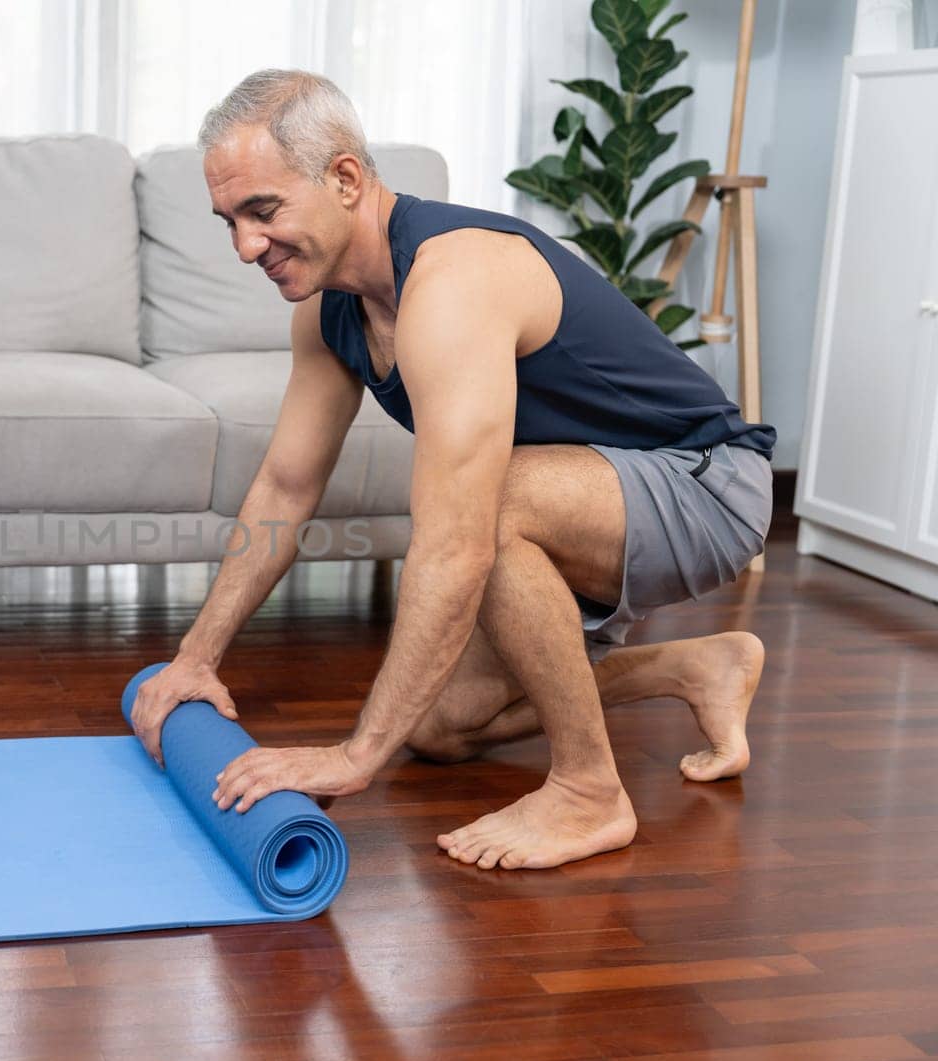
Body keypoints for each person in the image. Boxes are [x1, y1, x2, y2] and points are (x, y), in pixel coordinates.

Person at [128, 69, 775, 871]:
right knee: (442, 725)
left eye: (263, 211)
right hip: (588, 491)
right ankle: (691, 666)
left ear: (345, 177)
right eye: (230, 221)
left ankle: (588, 791)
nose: (245, 246)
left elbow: (459, 544)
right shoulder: (331, 314)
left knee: (487, 510)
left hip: (705, 481)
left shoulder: (455, 277)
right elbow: (284, 490)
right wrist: (196, 658)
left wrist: (355, 754)